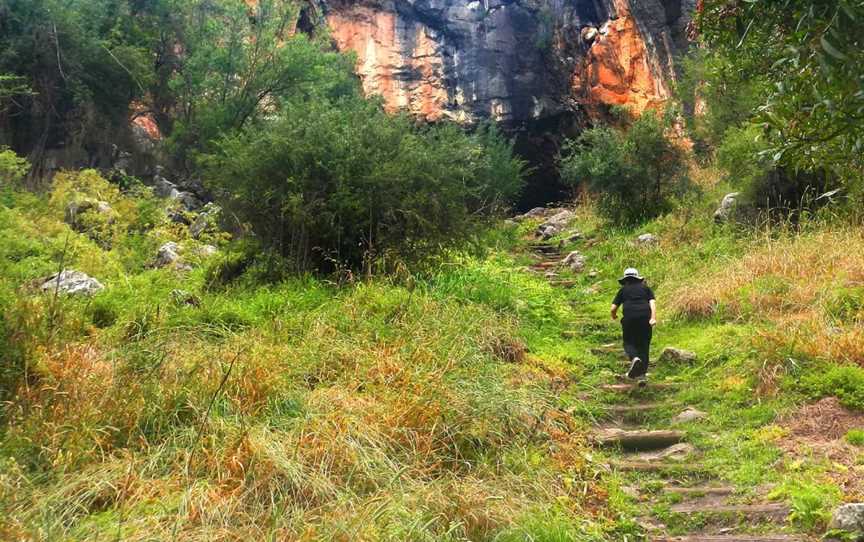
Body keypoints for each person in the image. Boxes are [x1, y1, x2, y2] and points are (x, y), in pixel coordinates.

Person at [610, 268, 657, 383]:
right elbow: (652, 303)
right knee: (644, 345)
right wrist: (653, 318)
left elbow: (613, 308)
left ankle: (634, 358)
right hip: (645, 319)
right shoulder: (646, 289)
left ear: (625, 280)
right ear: (638, 278)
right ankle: (642, 376)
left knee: (628, 342)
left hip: (629, 319)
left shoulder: (623, 290)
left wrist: (614, 315)